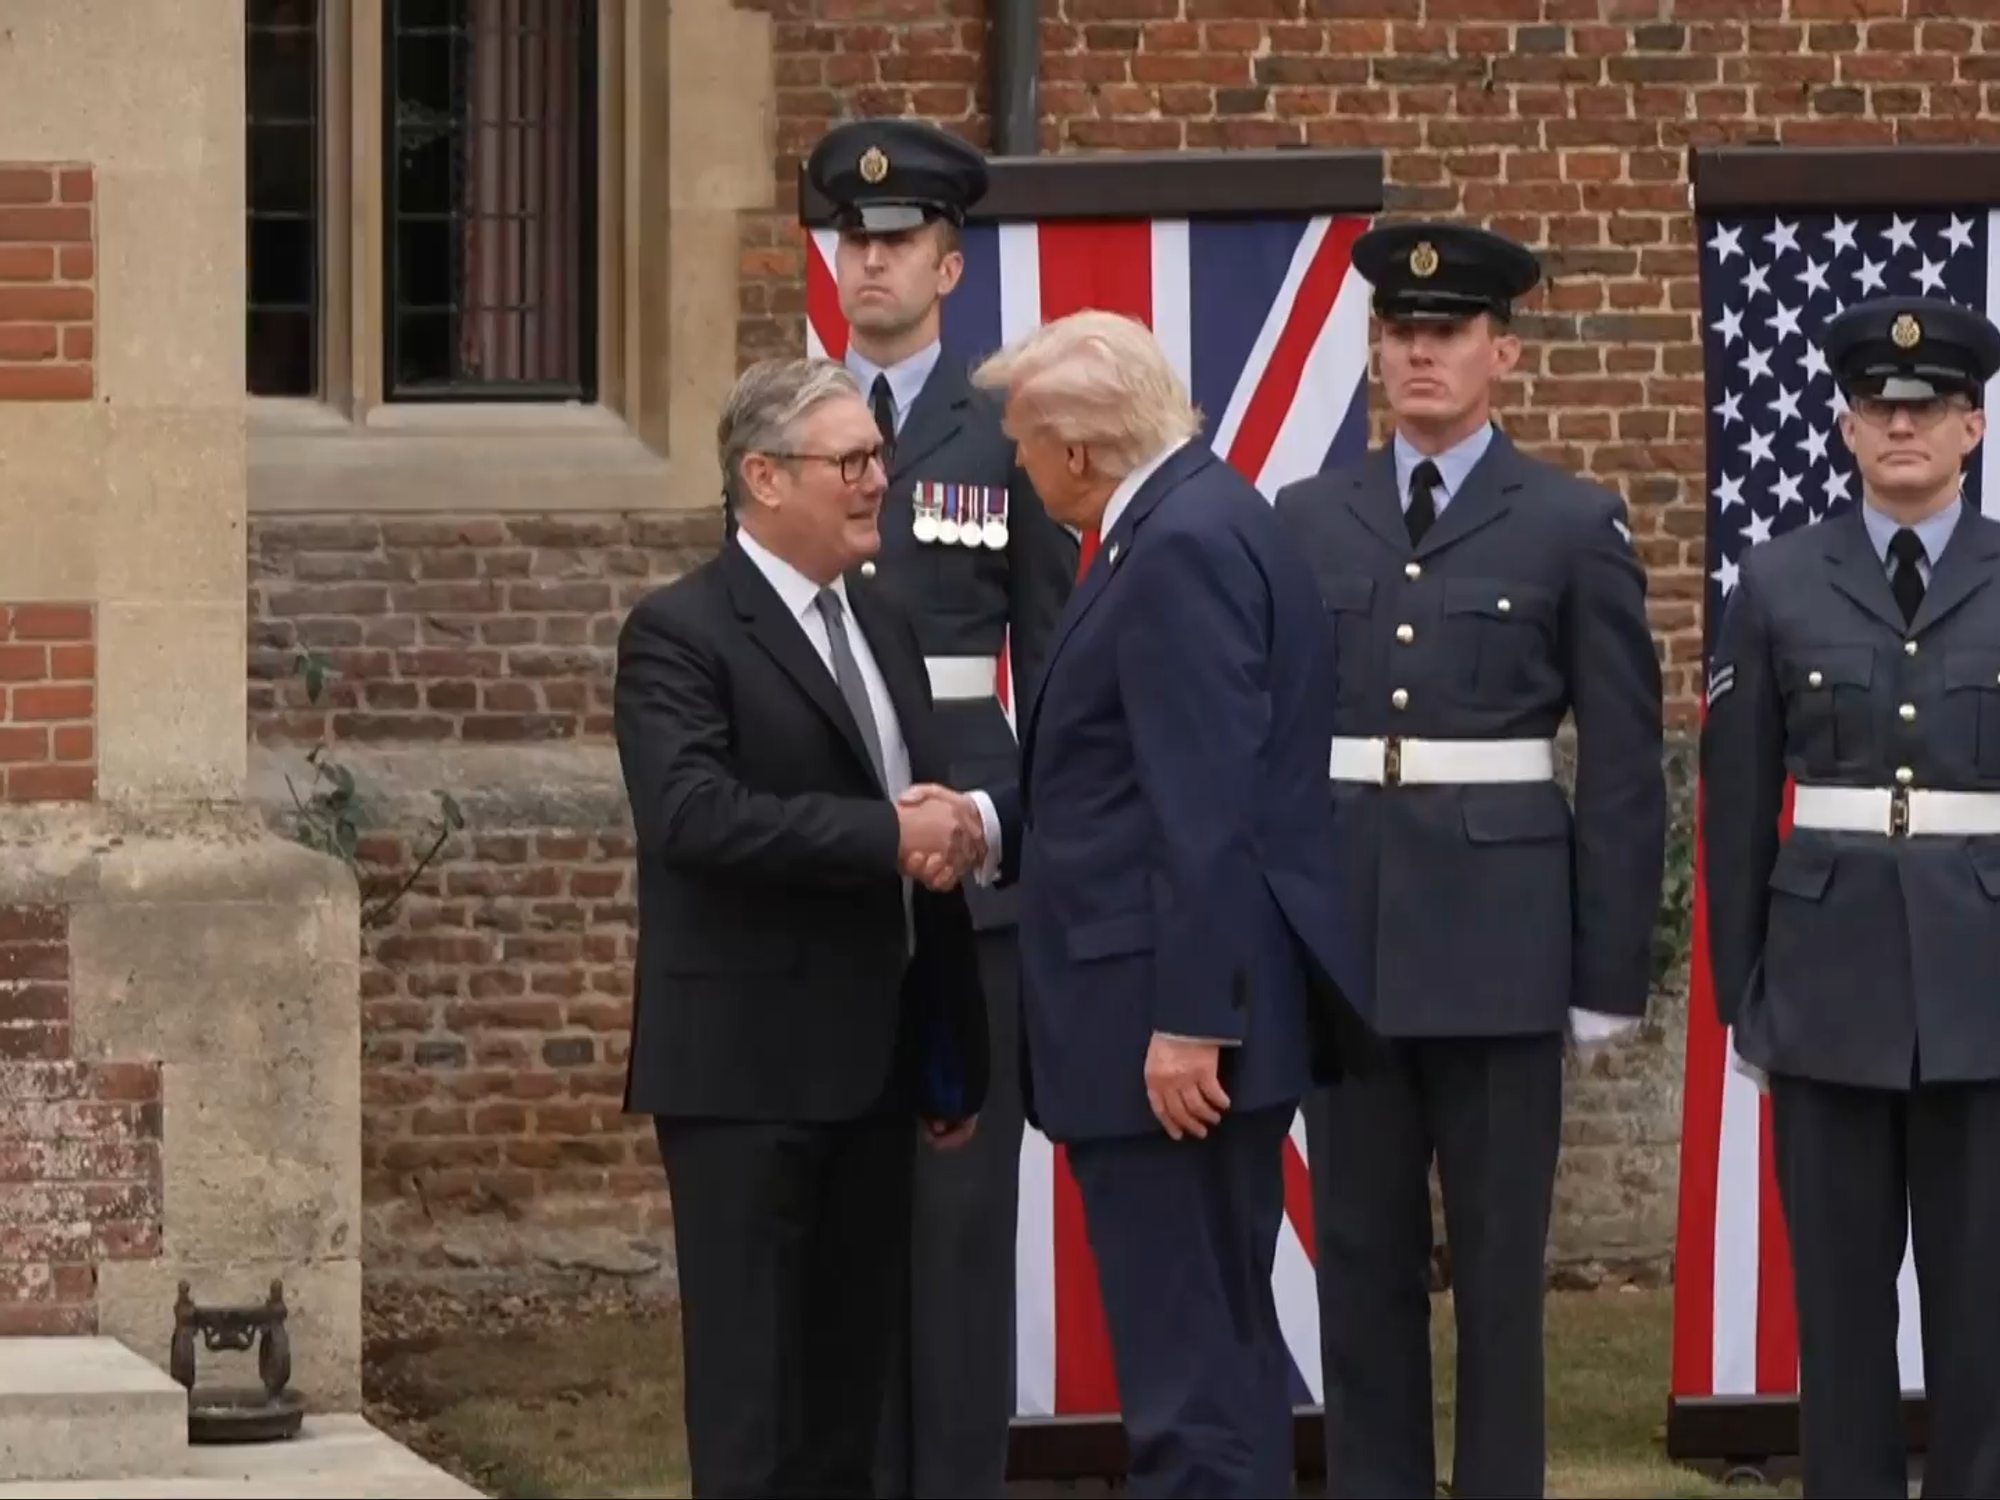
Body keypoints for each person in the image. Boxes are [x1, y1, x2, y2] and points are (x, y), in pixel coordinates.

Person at [1272, 221, 1667, 1499]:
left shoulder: (1567, 521)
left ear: (1501, 350)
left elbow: (1618, 762)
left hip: (1499, 946)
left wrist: (1605, 971)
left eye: (1446, 333)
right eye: (1399, 331)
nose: (1421, 352)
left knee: (1499, 1276)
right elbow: (1269, 739)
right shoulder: (1303, 516)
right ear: (1374, 349)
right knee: (1360, 1262)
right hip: (1345, 941)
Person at [960, 309, 1379, 1499]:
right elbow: (1116, 783)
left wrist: (1193, 1019)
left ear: (1078, 449)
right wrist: (992, 824)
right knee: (1214, 1356)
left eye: (1023, 447)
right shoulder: (1196, 515)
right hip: (1172, 1017)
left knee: (1187, 1374)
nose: (1019, 468)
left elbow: (1205, 805)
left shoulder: (1179, 545)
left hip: (1167, 1035)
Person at [613, 355, 998, 1498]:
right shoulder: (680, 632)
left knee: (846, 1407)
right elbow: (694, 820)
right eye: (852, 461)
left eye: (876, 457)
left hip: (875, 1077)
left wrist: (946, 1060)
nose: (878, 479)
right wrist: (885, 834)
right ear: (763, 478)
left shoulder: (883, 622)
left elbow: (917, 836)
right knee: (751, 1408)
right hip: (744, 1080)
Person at [796, 115, 1079, 1500]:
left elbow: (1067, 666)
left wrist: (997, 816)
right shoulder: (784, 422)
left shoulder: (1008, 430)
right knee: (843, 1222)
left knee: (961, 1230)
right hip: (832, 871)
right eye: (853, 240)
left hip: (970, 875)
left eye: (898, 241)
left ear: (951, 262)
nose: (870, 263)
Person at [1702, 295, 2000, 1500]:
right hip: (1823, 994)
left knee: (1982, 1307)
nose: (1901, 426)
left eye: (1926, 408)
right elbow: (1732, 805)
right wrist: (1744, 999)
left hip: (1984, 989)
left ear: (1970, 427)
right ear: (1840, 422)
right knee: (1836, 1306)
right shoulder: (1776, 582)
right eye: (1878, 405)